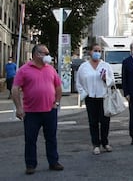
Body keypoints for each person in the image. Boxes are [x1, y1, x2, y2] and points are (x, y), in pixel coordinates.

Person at [11, 44, 64, 175]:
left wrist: (56, 102)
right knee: (30, 139)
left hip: (50, 110)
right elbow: (15, 89)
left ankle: (53, 162)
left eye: (48, 53)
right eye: (45, 53)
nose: (48, 56)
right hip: (31, 112)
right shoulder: (24, 70)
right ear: (36, 54)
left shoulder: (51, 69)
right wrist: (19, 108)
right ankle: (30, 164)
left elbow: (58, 87)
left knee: (51, 138)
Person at [76, 43, 115, 155]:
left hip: (103, 97)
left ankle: (105, 142)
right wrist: (84, 93)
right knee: (93, 122)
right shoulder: (83, 67)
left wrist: (105, 78)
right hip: (91, 97)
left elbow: (112, 81)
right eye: (95, 50)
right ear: (90, 52)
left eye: (99, 51)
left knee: (105, 121)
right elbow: (79, 82)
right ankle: (96, 144)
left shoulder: (105, 65)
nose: (97, 53)